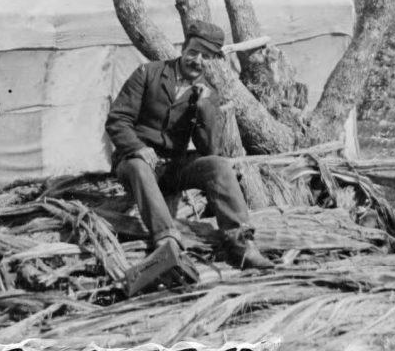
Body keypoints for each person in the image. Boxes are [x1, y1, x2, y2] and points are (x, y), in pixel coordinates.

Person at [105, 19, 273, 270]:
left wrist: (204, 108)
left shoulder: (207, 93)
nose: (197, 60)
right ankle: (167, 241)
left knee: (217, 165)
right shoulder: (148, 73)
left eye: (206, 56)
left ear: (213, 60)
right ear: (183, 48)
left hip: (172, 167)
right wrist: (138, 147)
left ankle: (241, 245)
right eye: (193, 52)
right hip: (134, 162)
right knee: (140, 166)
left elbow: (209, 151)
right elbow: (118, 119)